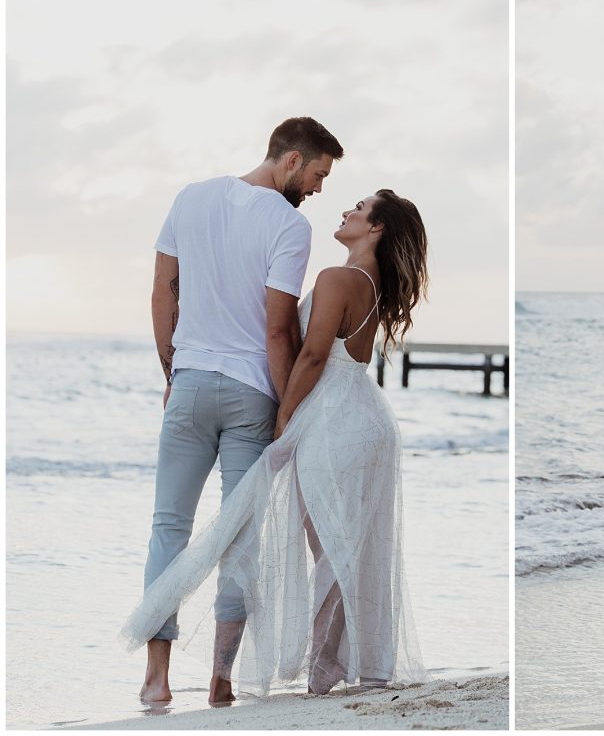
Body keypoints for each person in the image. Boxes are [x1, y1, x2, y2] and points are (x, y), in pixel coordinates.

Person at [122, 189, 430, 699]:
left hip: (332, 421)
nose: (347, 209)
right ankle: (337, 662)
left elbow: (310, 357)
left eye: (359, 207)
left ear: (376, 228)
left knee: (330, 548)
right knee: (341, 548)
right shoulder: (369, 281)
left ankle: (327, 666)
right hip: (362, 417)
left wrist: (285, 417)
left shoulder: (339, 278)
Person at [140, 117, 344, 704]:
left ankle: (155, 678)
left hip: (191, 384)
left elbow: (162, 289)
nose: (318, 189)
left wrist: (172, 372)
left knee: (167, 528)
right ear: (290, 160)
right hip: (251, 393)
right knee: (240, 538)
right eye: (317, 174)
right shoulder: (288, 225)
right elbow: (278, 330)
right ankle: (222, 680)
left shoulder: (191, 197)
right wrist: (287, 412)